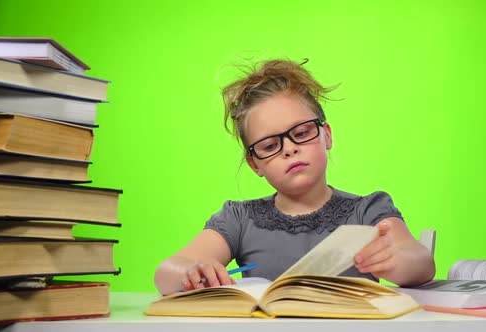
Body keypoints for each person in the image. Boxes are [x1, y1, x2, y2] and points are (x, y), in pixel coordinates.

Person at [154, 59, 435, 295]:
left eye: (301, 133)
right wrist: (192, 272)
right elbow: (166, 273)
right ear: (255, 164)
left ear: (326, 135)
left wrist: (394, 259)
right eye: (270, 146)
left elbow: (421, 262)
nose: (290, 149)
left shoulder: (368, 210)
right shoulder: (239, 218)